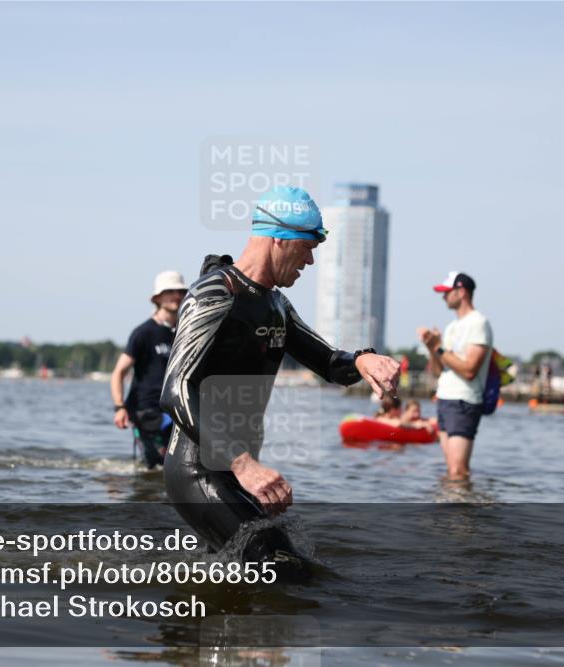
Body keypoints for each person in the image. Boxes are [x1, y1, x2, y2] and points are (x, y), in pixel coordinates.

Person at [160, 185, 401, 561]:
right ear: (279, 238)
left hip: (238, 470)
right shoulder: (214, 294)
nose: (310, 260)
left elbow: (328, 363)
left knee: (250, 575)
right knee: (282, 567)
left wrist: (360, 361)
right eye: (307, 247)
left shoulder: (276, 305)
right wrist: (244, 464)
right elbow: (175, 389)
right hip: (200, 470)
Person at [417, 271, 492, 481]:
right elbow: (438, 371)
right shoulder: (452, 327)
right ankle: (453, 501)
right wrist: (432, 348)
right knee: (452, 470)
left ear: (461, 292)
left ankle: (462, 503)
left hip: (463, 400)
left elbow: (469, 370)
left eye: (447, 292)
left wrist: (439, 348)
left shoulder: (478, 323)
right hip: (445, 399)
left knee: (458, 471)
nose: (443, 297)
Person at [111, 270, 188, 468]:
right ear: (157, 298)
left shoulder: (185, 332)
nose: (177, 296)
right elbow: (119, 372)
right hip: (146, 411)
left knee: (179, 467)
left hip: (177, 410)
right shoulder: (143, 333)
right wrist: (119, 407)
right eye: (170, 291)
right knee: (154, 466)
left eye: (181, 291)